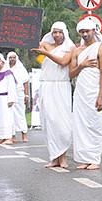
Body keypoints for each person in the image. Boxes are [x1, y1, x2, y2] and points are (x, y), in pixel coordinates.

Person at [32, 21, 76, 169]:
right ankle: (54, 157)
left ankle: (63, 157)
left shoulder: (70, 48)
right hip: (46, 85)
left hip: (61, 86)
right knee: (49, 121)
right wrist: (39, 51)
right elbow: (38, 57)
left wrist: (45, 53)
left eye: (60, 32)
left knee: (61, 122)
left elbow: (64, 62)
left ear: (65, 33)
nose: (57, 35)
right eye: (54, 32)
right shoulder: (46, 45)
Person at [70, 17, 102, 169]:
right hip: (80, 92)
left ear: (93, 31)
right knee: (80, 124)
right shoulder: (77, 50)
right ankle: (84, 158)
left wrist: (101, 95)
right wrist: (82, 65)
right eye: (81, 32)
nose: (84, 34)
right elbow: (71, 74)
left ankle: (95, 158)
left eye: (87, 31)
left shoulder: (100, 48)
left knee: (94, 122)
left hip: (94, 91)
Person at [0, 53, 18, 144]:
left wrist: (11, 99)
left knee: (7, 118)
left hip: (5, 98)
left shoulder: (8, 74)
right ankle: (0, 136)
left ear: (3, 62)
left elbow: (12, 87)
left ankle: (8, 137)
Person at [7, 51, 30, 142]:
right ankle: (12, 136)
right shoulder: (6, 69)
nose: (12, 59)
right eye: (10, 58)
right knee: (10, 115)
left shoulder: (21, 69)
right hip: (9, 94)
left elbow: (26, 82)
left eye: (14, 57)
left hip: (20, 93)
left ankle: (24, 134)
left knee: (20, 114)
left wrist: (26, 95)